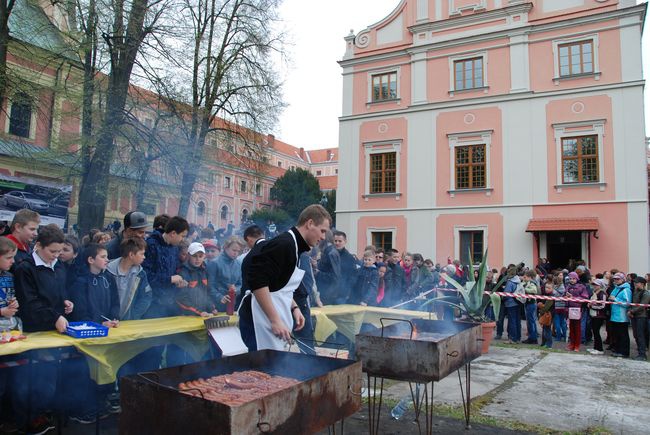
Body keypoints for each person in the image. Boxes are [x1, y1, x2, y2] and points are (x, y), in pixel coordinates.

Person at [239, 204, 331, 351]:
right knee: (261, 372)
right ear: (310, 223)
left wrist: (294, 307)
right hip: (259, 322)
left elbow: (278, 287)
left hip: (270, 321)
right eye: (322, 231)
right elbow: (257, 281)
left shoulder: (294, 247)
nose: (323, 237)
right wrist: (275, 320)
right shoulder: (284, 244)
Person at [13, 224, 72, 434]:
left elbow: (59, 292)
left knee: (51, 378)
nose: (56, 256)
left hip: (55, 332)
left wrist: (66, 302)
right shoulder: (24, 268)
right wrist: (54, 316)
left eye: (59, 252)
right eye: (52, 252)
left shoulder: (58, 266)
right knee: (34, 380)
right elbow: (29, 303)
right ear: (38, 245)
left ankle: (44, 412)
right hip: (34, 332)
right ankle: (30, 419)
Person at [143, 216, 190, 318]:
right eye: (182, 236)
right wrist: (170, 279)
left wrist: (178, 282)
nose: (183, 240)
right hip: (152, 303)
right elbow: (146, 276)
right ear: (173, 233)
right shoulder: (151, 245)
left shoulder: (174, 248)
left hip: (169, 301)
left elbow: (174, 271)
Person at [69, 243, 120, 327]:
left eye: (107, 257)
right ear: (91, 260)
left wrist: (114, 318)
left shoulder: (109, 278)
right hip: (89, 327)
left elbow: (115, 301)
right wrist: (99, 323)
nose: (107, 260)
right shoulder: (80, 281)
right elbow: (80, 310)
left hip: (109, 325)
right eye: (103, 257)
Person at [107, 237, 152, 320]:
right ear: (131, 255)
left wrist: (133, 316)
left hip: (128, 322)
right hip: (107, 322)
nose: (144, 257)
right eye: (141, 254)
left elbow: (146, 297)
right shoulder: (107, 271)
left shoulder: (141, 274)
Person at [0, 237, 17, 429]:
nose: (13, 261)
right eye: (9, 257)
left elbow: (11, 297)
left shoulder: (9, 276)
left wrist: (14, 304)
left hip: (7, 332)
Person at [177, 242, 217, 317]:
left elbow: (207, 293)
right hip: (187, 315)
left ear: (204, 256)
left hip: (203, 314)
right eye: (194, 256)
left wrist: (211, 307)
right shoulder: (183, 272)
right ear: (189, 256)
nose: (198, 259)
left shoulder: (205, 270)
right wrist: (199, 312)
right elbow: (181, 298)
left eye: (200, 256)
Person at [208, 236, 244, 312]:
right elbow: (210, 286)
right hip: (217, 305)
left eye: (238, 251)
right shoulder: (214, 263)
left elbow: (240, 284)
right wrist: (220, 297)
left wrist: (235, 290)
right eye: (234, 250)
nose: (236, 253)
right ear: (226, 247)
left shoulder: (238, 264)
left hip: (233, 304)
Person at [609, 272, 632, 358]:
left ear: (623, 279)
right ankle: (618, 350)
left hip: (622, 317)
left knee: (623, 335)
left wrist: (615, 299)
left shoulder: (626, 290)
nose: (616, 281)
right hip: (614, 315)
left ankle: (624, 352)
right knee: (616, 334)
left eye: (618, 279)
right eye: (614, 279)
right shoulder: (616, 288)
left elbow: (627, 303)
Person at [565, 272, 588, 352]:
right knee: (571, 327)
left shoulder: (581, 287)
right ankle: (572, 343)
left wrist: (573, 297)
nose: (572, 280)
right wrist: (565, 297)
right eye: (570, 278)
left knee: (577, 327)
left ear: (577, 279)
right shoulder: (568, 287)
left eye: (573, 278)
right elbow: (565, 296)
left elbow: (584, 297)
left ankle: (577, 345)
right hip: (569, 308)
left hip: (577, 309)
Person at [332, 231, 357, 304]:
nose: (337, 243)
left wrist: (347, 291)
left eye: (340, 241)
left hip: (341, 295)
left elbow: (353, 277)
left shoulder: (350, 258)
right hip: (327, 294)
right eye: (335, 241)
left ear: (345, 241)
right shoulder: (328, 255)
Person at [629, 276, 650, 360]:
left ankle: (642, 354)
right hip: (634, 316)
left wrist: (631, 311)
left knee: (640, 335)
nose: (635, 284)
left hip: (642, 316)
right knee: (636, 335)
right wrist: (631, 311)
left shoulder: (646, 293)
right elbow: (633, 303)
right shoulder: (635, 291)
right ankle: (640, 351)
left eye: (636, 282)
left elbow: (642, 306)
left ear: (642, 284)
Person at [587, 278, 608, 355]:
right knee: (594, 331)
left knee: (596, 331)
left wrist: (592, 306)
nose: (594, 286)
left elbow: (602, 306)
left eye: (596, 284)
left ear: (600, 285)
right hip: (593, 315)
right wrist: (589, 305)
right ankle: (595, 347)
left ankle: (599, 349)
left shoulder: (602, 294)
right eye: (594, 284)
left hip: (599, 316)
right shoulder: (594, 293)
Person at [503, 267, 522, 343]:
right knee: (517, 320)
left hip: (510, 303)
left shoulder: (510, 282)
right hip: (518, 302)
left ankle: (512, 338)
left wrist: (502, 297)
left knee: (512, 321)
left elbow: (506, 293)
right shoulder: (518, 280)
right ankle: (518, 337)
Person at [522, 270, 539, 344]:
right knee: (531, 321)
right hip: (530, 303)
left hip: (530, 303)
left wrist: (524, 289)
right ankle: (533, 337)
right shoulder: (529, 282)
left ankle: (532, 338)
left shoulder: (532, 283)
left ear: (530, 277)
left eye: (525, 277)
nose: (524, 278)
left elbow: (534, 291)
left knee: (530, 321)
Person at [537, 282, 554, 349]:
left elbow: (546, 307)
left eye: (549, 288)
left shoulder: (551, 296)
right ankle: (543, 343)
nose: (547, 289)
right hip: (544, 314)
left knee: (547, 330)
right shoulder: (545, 295)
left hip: (549, 314)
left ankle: (549, 344)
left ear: (552, 288)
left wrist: (540, 309)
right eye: (546, 287)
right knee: (544, 329)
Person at [552, 274, 568, 342]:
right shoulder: (563, 288)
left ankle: (558, 337)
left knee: (557, 323)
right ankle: (565, 336)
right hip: (563, 306)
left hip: (556, 307)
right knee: (563, 323)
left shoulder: (554, 289)